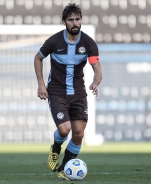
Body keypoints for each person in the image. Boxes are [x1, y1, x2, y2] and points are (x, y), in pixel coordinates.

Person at [34, 3, 102, 180]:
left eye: (77, 19)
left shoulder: (88, 43)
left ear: (81, 20)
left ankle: (64, 170)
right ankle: (56, 147)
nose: (75, 23)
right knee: (65, 130)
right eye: (71, 20)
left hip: (78, 93)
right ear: (64, 21)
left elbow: (97, 67)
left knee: (78, 133)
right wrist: (41, 83)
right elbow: (38, 58)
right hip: (57, 91)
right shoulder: (54, 41)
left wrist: (96, 81)